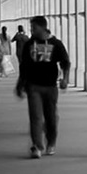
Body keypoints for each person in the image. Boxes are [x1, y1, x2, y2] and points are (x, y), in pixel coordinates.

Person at [15, 16, 71, 159]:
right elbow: (24, 66)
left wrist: (65, 78)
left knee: (51, 118)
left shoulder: (56, 44)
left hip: (50, 86)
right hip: (33, 86)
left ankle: (51, 141)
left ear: (43, 27)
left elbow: (65, 62)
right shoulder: (29, 44)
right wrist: (20, 84)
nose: (32, 30)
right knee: (36, 117)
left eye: (34, 27)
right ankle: (37, 146)